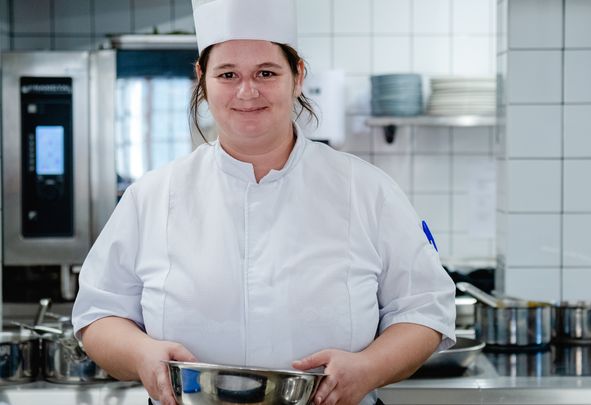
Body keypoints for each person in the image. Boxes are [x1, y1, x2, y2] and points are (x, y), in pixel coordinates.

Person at [71, 1, 456, 404]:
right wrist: (139, 354)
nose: (247, 91)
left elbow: (424, 309)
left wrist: (370, 368)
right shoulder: (151, 196)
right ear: (202, 79)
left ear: (298, 76)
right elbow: (99, 313)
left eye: (266, 73)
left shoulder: (366, 189)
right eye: (228, 74)